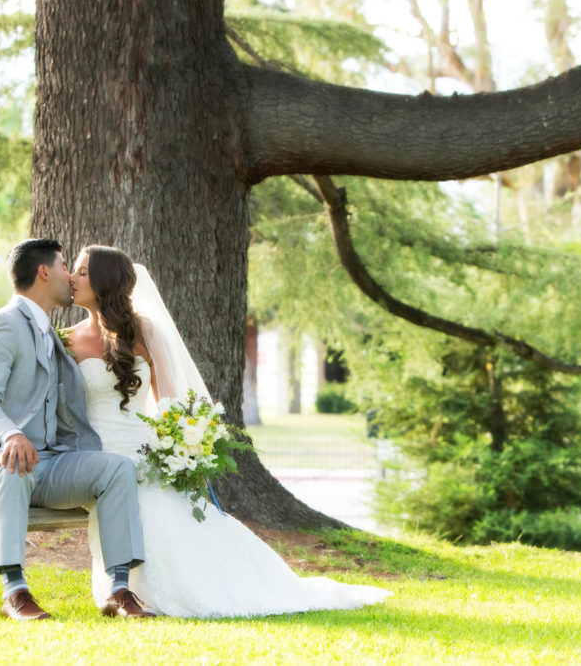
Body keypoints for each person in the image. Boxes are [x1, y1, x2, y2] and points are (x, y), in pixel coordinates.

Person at [65, 245, 392, 617]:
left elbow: (172, 404)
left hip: (144, 451)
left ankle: (184, 586)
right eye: (74, 271)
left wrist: (176, 448)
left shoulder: (143, 331)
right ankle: (124, 590)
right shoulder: (66, 341)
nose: (72, 279)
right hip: (96, 457)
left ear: (106, 281)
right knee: (136, 498)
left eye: (82, 272)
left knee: (164, 506)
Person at [0, 239, 154, 620]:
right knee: (12, 463)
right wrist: (9, 435)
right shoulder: (0, 326)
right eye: (63, 266)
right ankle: (14, 592)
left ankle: (120, 590)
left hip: (49, 464)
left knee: (117, 469)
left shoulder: (53, 336)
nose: (69, 277)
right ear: (43, 272)